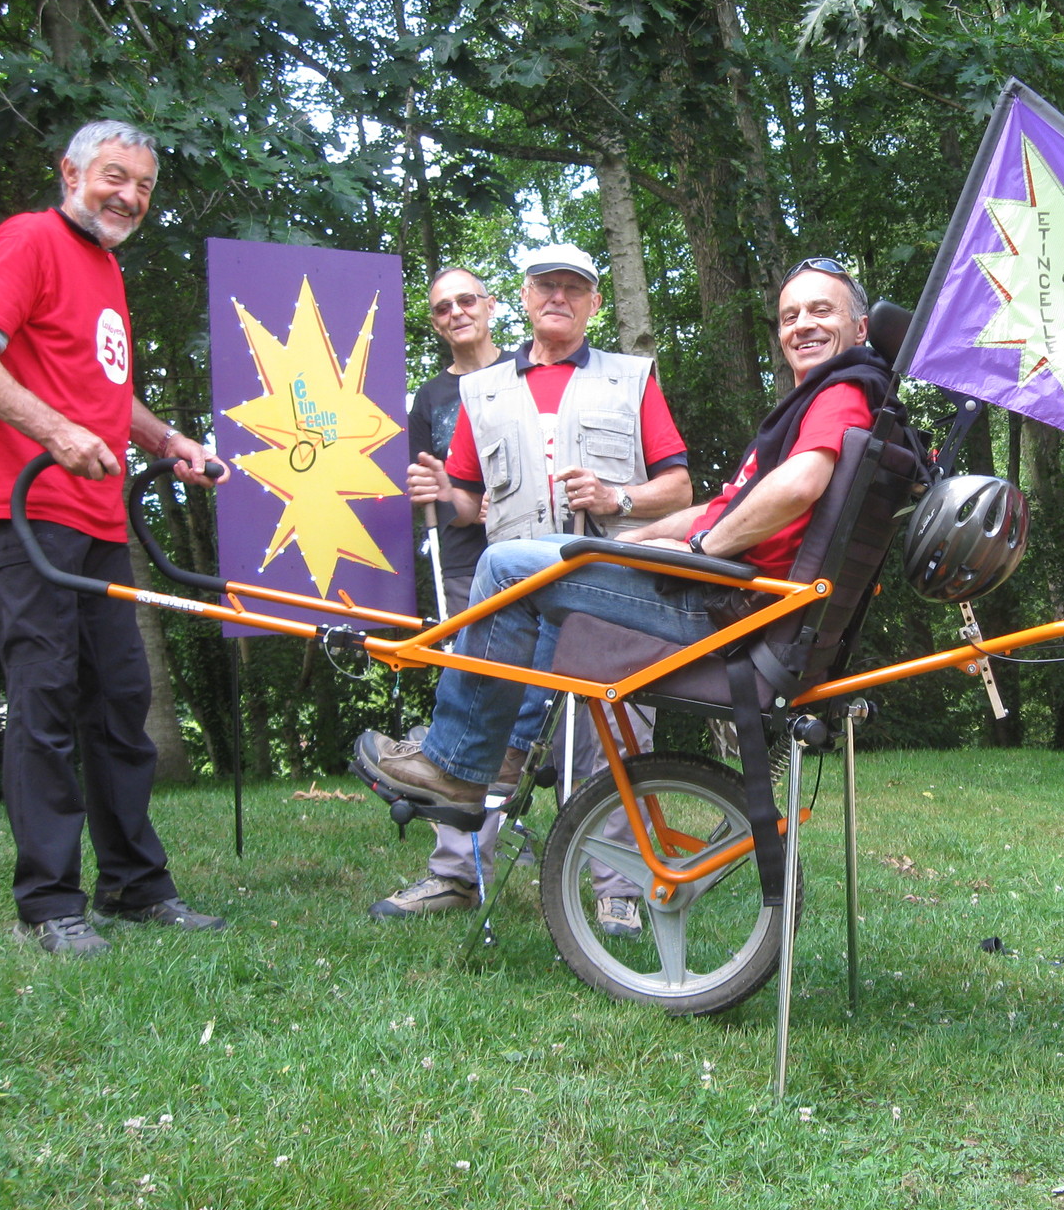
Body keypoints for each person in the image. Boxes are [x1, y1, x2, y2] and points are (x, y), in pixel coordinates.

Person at [352, 257, 888, 899]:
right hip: (722, 585)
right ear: (523, 299)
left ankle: (463, 768)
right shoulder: (481, 390)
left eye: (820, 311)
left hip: (719, 602)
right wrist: (645, 539)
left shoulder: (837, 395)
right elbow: (722, 503)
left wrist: (689, 540)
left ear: (860, 327)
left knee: (504, 567)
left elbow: (793, 487)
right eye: (790, 315)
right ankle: (471, 825)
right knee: (541, 559)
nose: (802, 325)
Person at [0, 119, 230, 957]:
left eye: (143, 185)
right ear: (70, 171)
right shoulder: (26, 240)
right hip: (26, 513)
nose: (129, 195)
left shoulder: (104, 270)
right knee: (46, 701)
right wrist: (56, 433)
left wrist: (169, 441)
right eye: (115, 175)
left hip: (97, 520)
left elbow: (103, 392)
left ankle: (137, 887)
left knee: (121, 701)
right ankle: (50, 902)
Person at [368, 245, 693, 931]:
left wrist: (617, 495)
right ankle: (455, 875)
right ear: (522, 296)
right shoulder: (480, 391)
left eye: (575, 289)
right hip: (514, 603)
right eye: (547, 285)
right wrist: (441, 494)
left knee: (615, 736)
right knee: (492, 725)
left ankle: (619, 892)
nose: (559, 298)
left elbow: (679, 487)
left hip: (608, 588)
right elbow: (466, 504)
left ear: (593, 304)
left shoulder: (631, 378)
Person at [407, 267, 508, 618]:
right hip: (465, 564)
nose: (457, 312)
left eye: (466, 300)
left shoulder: (527, 370)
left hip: (534, 548)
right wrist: (465, 508)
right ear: (437, 323)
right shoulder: (428, 397)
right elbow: (429, 492)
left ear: (490, 306)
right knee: (477, 669)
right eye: (443, 308)